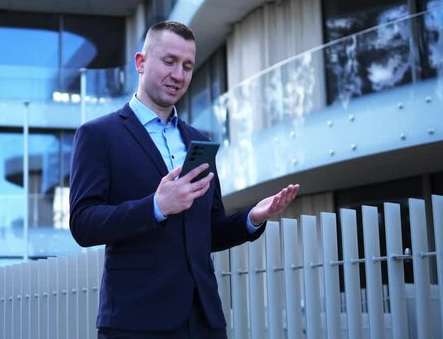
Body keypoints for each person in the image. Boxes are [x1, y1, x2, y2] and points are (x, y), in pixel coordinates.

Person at [69, 20, 299, 338]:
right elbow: (83, 223)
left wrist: (252, 217)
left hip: (204, 320)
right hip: (136, 321)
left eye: (187, 66)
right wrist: (156, 206)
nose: (179, 74)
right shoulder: (98, 135)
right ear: (141, 62)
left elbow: (210, 232)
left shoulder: (197, 140)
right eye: (169, 61)